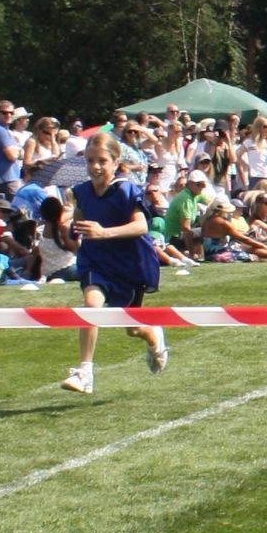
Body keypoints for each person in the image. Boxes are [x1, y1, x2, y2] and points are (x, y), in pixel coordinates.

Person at [63, 128, 167, 394]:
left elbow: (142, 226)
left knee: (132, 329)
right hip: (95, 261)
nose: (95, 167)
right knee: (91, 305)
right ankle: (85, 371)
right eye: (90, 161)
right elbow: (78, 225)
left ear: (116, 163)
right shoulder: (81, 192)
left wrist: (103, 232)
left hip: (127, 264)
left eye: (102, 161)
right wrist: (71, 223)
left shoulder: (126, 190)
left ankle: (153, 334)